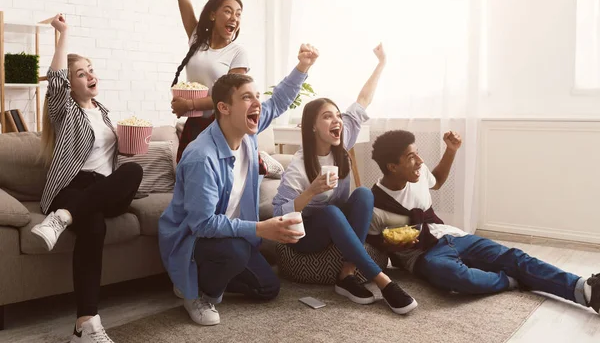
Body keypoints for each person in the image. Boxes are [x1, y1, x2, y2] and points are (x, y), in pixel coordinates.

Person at [159, 44, 319, 326]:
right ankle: (194, 291)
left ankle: (206, 276)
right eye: (247, 97)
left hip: (232, 238)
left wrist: (303, 66)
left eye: (257, 96)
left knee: (268, 288)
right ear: (223, 108)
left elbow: (278, 101)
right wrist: (261, 228)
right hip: (196, 239)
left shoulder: (247, 131)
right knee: (235, 251)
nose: (257, 102)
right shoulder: (201, 157)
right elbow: (202, 225)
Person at [368, 129, 600, 315]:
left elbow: (436, 181)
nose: (420, 160)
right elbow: (373, 244)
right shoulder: (374, 202)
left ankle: (585, 289)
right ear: (392, 166)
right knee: (455, 277)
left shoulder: (417, 173)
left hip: (452, 236)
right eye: (411, 157)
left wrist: (451, 150)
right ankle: (509, 280)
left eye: (418, 153)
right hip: (424, 255)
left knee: (515, 257)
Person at [272, 44, 417, 315]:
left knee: (364, 195)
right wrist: (311, 191)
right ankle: (383, 281)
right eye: (328, 116)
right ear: (313, 126)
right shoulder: (299, 166)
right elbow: (280, 212)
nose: (337, 120)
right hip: (306, 237)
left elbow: (363, 99)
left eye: (337, 115)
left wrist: (381, 63)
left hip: (336, 222)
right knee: (328, 212)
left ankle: (346, 273)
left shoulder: (342, 140)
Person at [32, 14, 143, 343]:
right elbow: (54, 80)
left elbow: (114, 160)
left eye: (91, 69)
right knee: (94, 226)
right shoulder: (66, 110)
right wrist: (63, 33)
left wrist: (134, 144)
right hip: (73, 187)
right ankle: (86, 324)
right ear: (71, 83)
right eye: (80, 73)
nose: (90, 75)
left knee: (134, 170)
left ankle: (62, 219)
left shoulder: (105, 113)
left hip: (104, 189)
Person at [162, 0, 250, 162]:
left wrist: (189, 104)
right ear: (212, 15)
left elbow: (232, 98)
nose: (234, 18)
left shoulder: (238, 53)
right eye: (228, 11)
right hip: (194, 124)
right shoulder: (196, 41)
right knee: (187, 177)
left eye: (238, 14)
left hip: (222, 127)